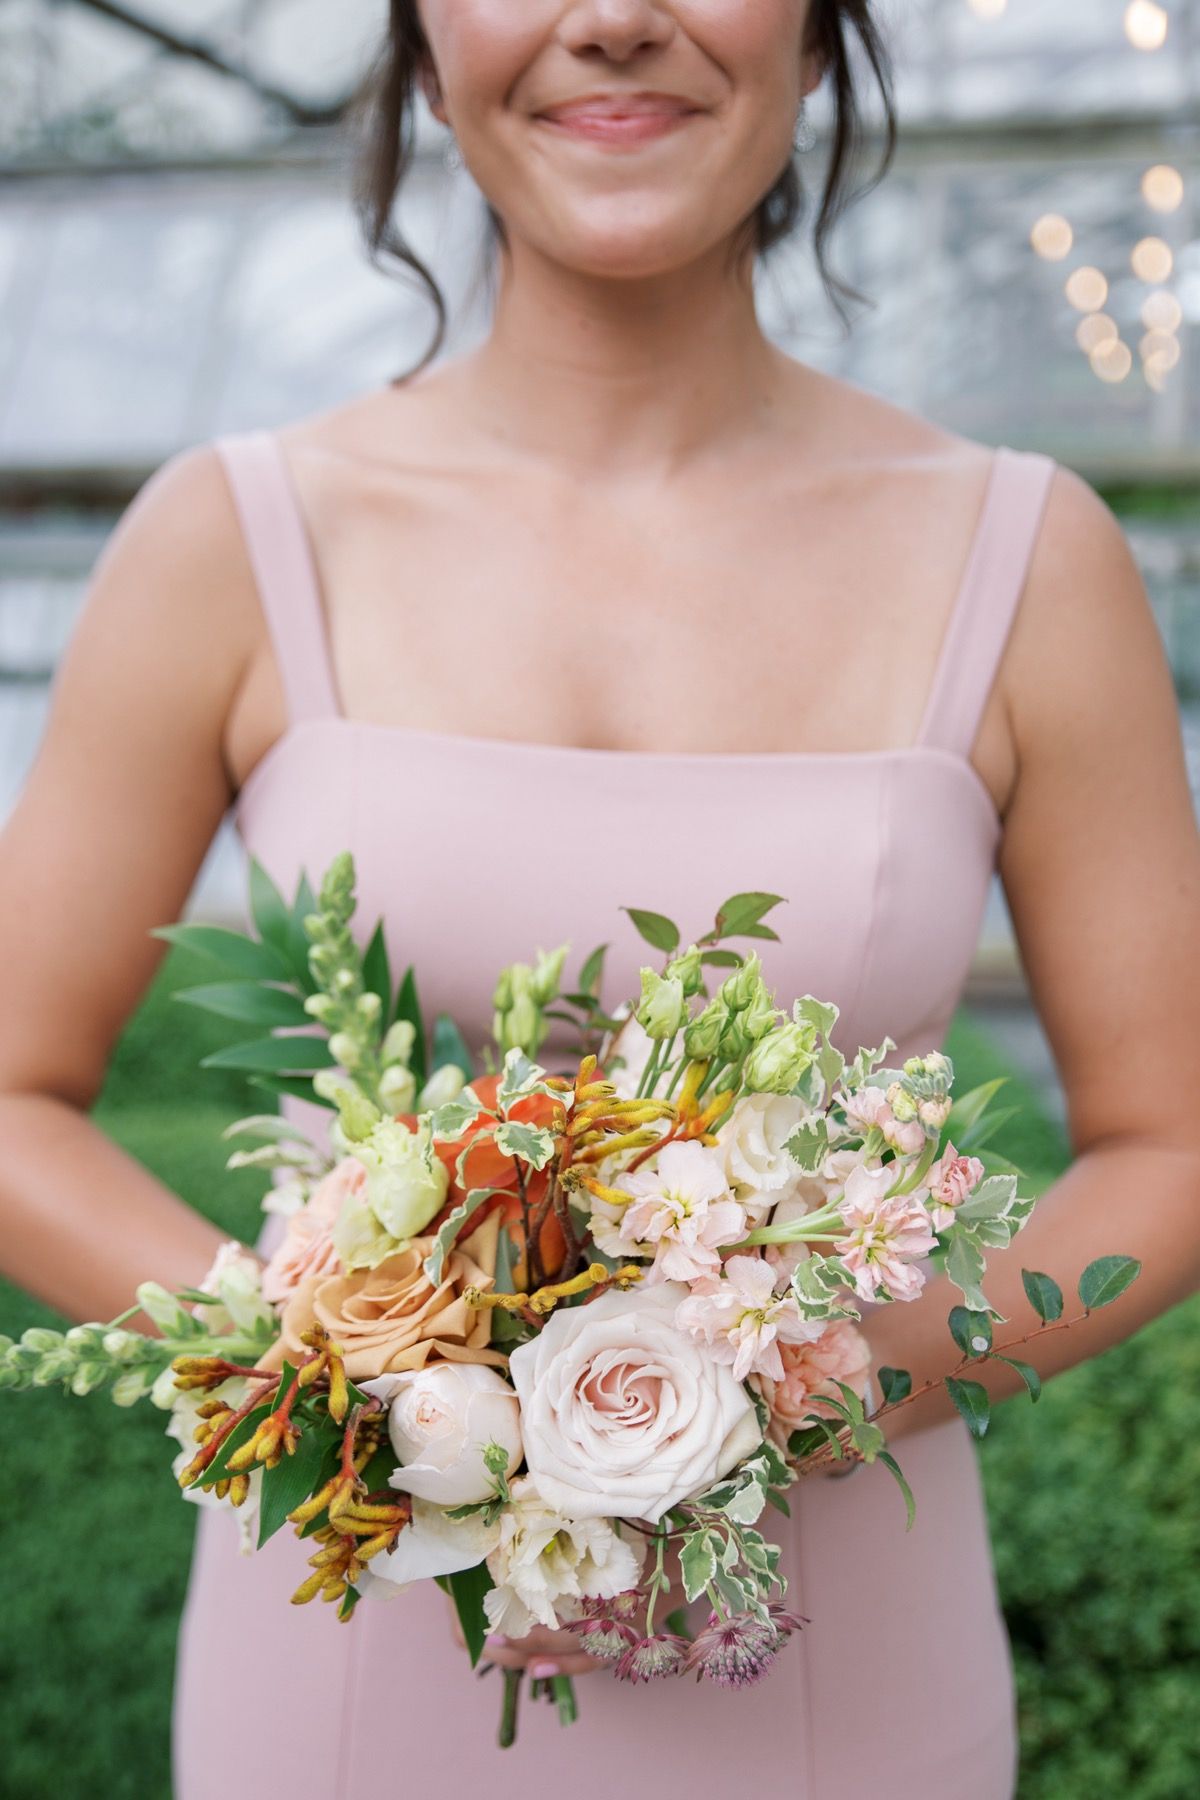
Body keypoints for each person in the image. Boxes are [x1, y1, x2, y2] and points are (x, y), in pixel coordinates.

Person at [2, 3, 1198, 1796]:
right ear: (417, 46)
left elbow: (1172, 1138)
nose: (617, 14)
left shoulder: (1026, 560)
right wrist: (359, 1374)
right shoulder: (236, 538)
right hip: (340, 1673)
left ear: (818, 38)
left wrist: (826, 1381)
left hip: (837, 1668)